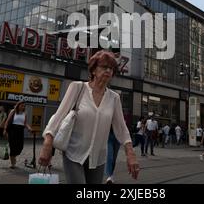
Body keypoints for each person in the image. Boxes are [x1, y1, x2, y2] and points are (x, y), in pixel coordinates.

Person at [39, 50, 140, 184]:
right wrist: (47, 144)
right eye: (104, 67)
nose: (108, 70)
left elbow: (121, 128)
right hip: (73, 154)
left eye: (111, 68)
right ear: (93, 70)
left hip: (98, 158)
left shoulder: (114, 98)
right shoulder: (77, 88)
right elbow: (58, 117)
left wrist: (130, 153)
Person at [4, 102, 32, 168]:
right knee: (12, 147)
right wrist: (5, 130)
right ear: (18, 106)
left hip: (20, 131)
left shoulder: (24, 114)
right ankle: (12, 164)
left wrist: (29, 127)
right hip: (12, 131)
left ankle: (13, 156)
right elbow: (7, 121)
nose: (23, 107)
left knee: (20, 147)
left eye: (24, 106)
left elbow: (25, 123)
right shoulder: (13, 111)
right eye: (22, 106)